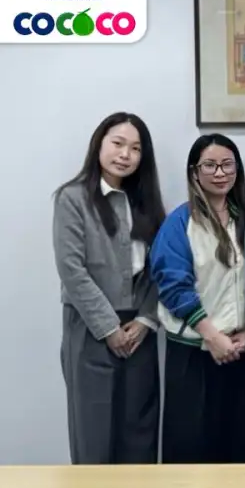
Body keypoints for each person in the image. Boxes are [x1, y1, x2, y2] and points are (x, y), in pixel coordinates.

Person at [52, 112, 166, 464]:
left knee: (140, 433)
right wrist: (108, 328)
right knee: (94, 433)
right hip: (91, 327)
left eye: (136, 148)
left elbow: (159, 269)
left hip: (138, 330)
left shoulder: (146, 202)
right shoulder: (72, 198)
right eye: (118, 143)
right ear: (99, 143)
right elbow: (72, 270)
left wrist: (146, 320)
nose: (125, 154)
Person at [150, 134, 245, 463]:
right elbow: (172, 284)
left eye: (227, 164)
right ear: (194, 172)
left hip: (242, 350)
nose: (220, 172)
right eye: (209, 165)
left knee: (241, 447)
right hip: (194, 352)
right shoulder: (180, 222)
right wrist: (211, 335)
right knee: (191, 448)